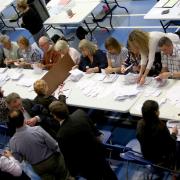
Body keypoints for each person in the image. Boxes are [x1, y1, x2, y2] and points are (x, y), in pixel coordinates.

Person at [49, 101, 117, 180]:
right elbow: (95, 131)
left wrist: (72, 173)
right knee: (108, 173)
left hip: (85, 165)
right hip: (98, 153)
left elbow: (68, 157)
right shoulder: (80, 113)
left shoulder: (61, 135)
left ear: (55, 116)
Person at [8, 109, 70, 180]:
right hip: (52, 160)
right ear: (23, 118)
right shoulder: (37, 129)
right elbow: (54, 145)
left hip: (38, 167)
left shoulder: (12, 141)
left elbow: (18, 159)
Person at [136, 100, 177, 168]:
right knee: (177, 144)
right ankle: (175, 166)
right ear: (156, 112)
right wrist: (174, 133)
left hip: (146, 154)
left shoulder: (140, 124)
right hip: (160, 156)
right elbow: (171, 144)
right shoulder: (160, 127)